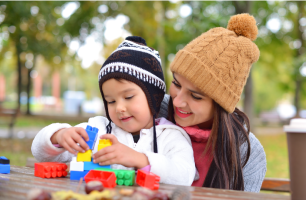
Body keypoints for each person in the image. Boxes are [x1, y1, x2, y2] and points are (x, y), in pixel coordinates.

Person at [31, 36, 195, 186]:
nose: (119, 108)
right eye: (111, 101)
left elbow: (185, 175)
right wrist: (58, 135)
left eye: (129, 97)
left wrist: (141, 159)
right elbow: (41, 153)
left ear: (155, 98)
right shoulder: (97, 130)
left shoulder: (171, 136)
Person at [158, 13, 267, 192]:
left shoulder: (248, 154)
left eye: (195, 96)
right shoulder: (153, 110)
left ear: (221, 104)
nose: (177, 102)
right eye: (176, 84)